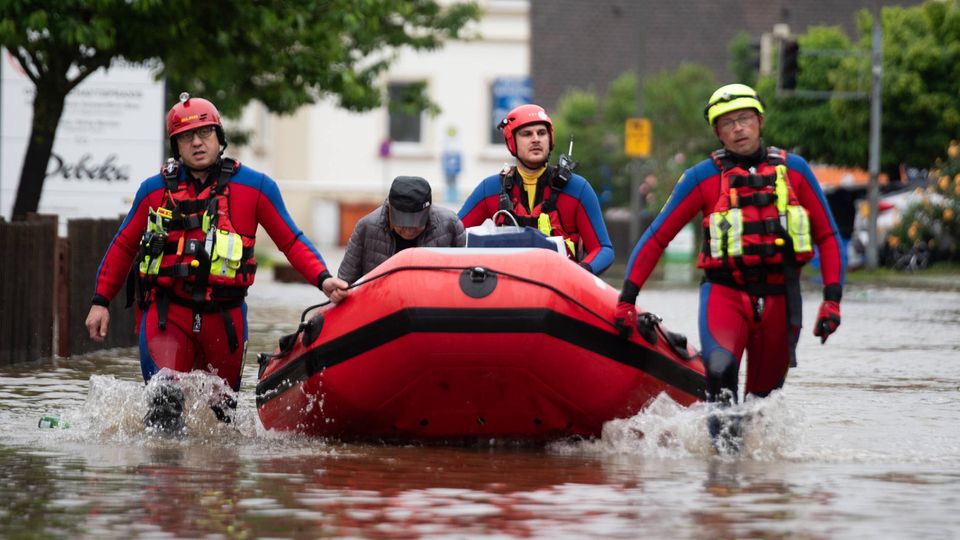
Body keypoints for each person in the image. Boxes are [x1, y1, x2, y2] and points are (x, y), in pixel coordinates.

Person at [84, 92, 349, 432]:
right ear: (175, 146)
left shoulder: (256, 187)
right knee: (164, 401)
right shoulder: (153, 190)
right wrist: (100, 301)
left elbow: (291, 240)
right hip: (168, 316)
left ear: (219, 137)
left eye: (205, 133)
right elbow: (122, 245)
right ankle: (165, 480)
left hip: (225, 320)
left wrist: (324, 279)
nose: (197, 143)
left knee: (222, 421)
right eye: (185, 137)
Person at [614, 84, 844, 452]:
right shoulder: (701, 178)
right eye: (728, 123)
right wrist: (627, 299)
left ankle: (754, 496)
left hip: (781, 300)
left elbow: (829, 236)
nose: (738, 128)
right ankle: (721, 480)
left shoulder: (796, 171)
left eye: (745, 119)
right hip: (725, 295)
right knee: (720, 378)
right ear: (717, 133)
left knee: (762, 401)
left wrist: (832, 300)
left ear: (760, 121)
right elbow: (657, 237)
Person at [458, 104, 614, 275]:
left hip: (561, 287)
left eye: (541, 133)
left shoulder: (577, 188)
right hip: (508, 287)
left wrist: (581, 272)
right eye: (526, 134)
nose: (536, 139)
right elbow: (453, 235)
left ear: (550, 139)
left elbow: (603, 249)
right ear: (512, 141)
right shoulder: (490, 189)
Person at [338, 175, 466, 284]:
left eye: (416, 224)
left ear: (427, 211)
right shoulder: (367, 227)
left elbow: (464, 278)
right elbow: (345, 282)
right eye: (402, 224)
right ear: (390, 210)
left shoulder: (450, 225)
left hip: (432, 307)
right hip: (381, 307)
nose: (409, 230)